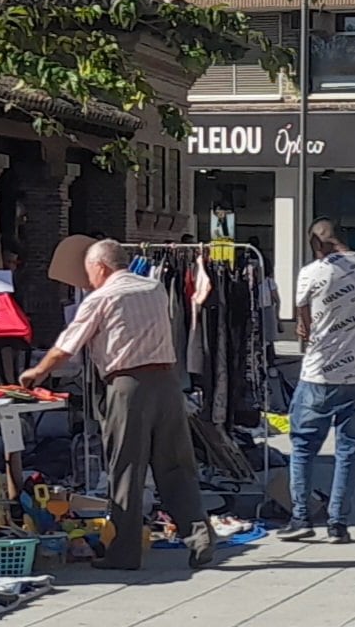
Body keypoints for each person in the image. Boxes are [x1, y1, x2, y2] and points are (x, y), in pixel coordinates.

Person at [18, 239, 215, 571]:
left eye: (89, 272)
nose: (88, 279)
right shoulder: (153, 288)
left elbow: (67, 346)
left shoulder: (103, 297)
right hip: (167, 383)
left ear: (101, 267)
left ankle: (124, 552)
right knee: (176, 466)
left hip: (128, 386)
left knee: (126, 469)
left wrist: (37, 372)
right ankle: (200, 535)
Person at [284, 220, 355, 543]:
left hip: (320, 374)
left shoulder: (313, 272)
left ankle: (301, 517)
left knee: (303, 447)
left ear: (318, 244)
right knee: (350, 450)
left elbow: (302, 324)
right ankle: (338, 524)